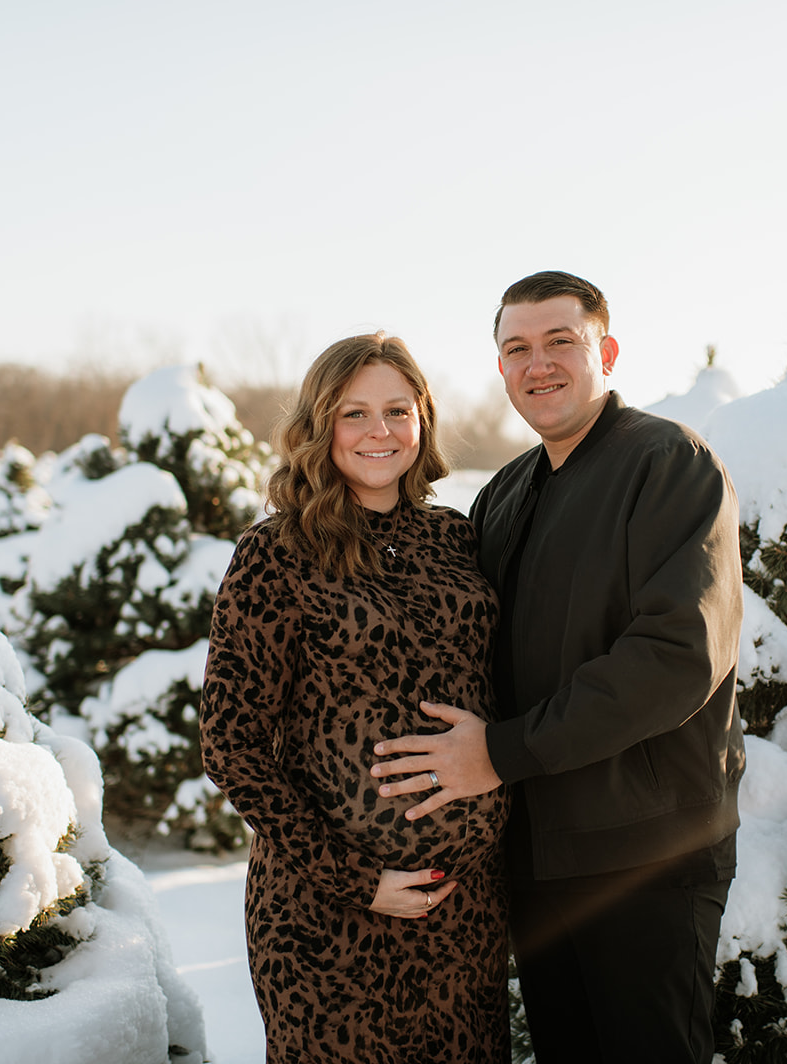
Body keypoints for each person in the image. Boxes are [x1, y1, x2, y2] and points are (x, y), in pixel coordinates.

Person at [370, 272, 745, 1063]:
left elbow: (677, 657)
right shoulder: (505, 494)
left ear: (604, 351)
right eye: (517, 349)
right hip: (540, 861)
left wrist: (500, 754)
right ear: (500, 369)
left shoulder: (667, 463)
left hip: (646, 857)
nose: (538, 364)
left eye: (559, 343)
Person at [199, 333, 509, 1064]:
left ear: (423, 421)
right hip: (328, 920)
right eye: (354, 414)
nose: (380, 432)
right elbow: (232, 747)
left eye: (397, 411)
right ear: (319, 427)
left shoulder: (458, 539)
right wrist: (359, 879)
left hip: (463, 915)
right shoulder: (275, 554)